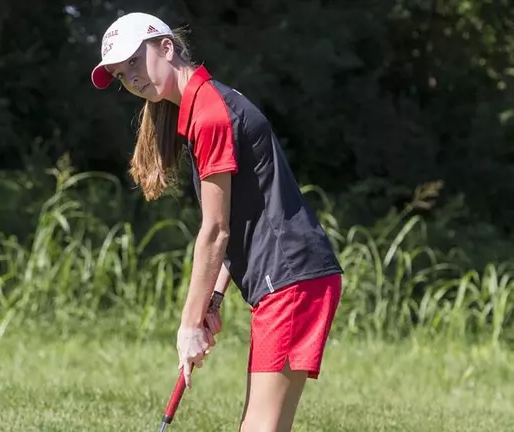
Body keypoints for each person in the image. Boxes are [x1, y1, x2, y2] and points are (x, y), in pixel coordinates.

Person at [89, 12, 344, 432]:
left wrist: (189, 325)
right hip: (291, 277)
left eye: (134, 62)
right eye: (121, 75)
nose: (131, 79)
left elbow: (214, 232)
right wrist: (213, 300)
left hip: (291, 278)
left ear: (166, 47)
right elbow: (242, 215)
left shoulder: (209, 114)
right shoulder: (205, 106)